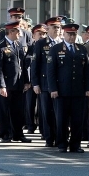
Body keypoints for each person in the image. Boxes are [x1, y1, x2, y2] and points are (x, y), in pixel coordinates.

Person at [46, 22, 89, 153]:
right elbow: (51, 71)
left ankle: (75, 144)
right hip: (62, 91)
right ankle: (62, 143)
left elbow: (87, 71)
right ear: (64, 34)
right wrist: (53, 89)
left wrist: (88, 88)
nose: (71, 37)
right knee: (61, 119)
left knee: (78, 119)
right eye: (69, 34)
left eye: (73, 34)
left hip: (78, 90)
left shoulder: (81, 49)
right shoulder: (56, 49)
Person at [0, 22, 31, 143]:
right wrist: (1, 85)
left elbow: (23, 65)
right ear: (11, 32)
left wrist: (26, 81)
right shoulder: (0, 46)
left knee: (18, 110)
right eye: (17, 31)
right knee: (5, 110)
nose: (20, 34)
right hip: (6, 84)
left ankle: (18, 134)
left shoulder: (18, 44)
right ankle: (5, 134)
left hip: (18, 83)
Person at [31, 17, 64, 147]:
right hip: (45, 83)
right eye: (54, 27)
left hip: (60, 84)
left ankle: (60, 137)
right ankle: (49, 138)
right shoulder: (41, 44)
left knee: (60, 113)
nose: (57, 30)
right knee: (47, 112)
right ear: (47, 29)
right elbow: (35, 65)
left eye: (58, 27)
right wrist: (35, 83)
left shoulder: (63, 43)